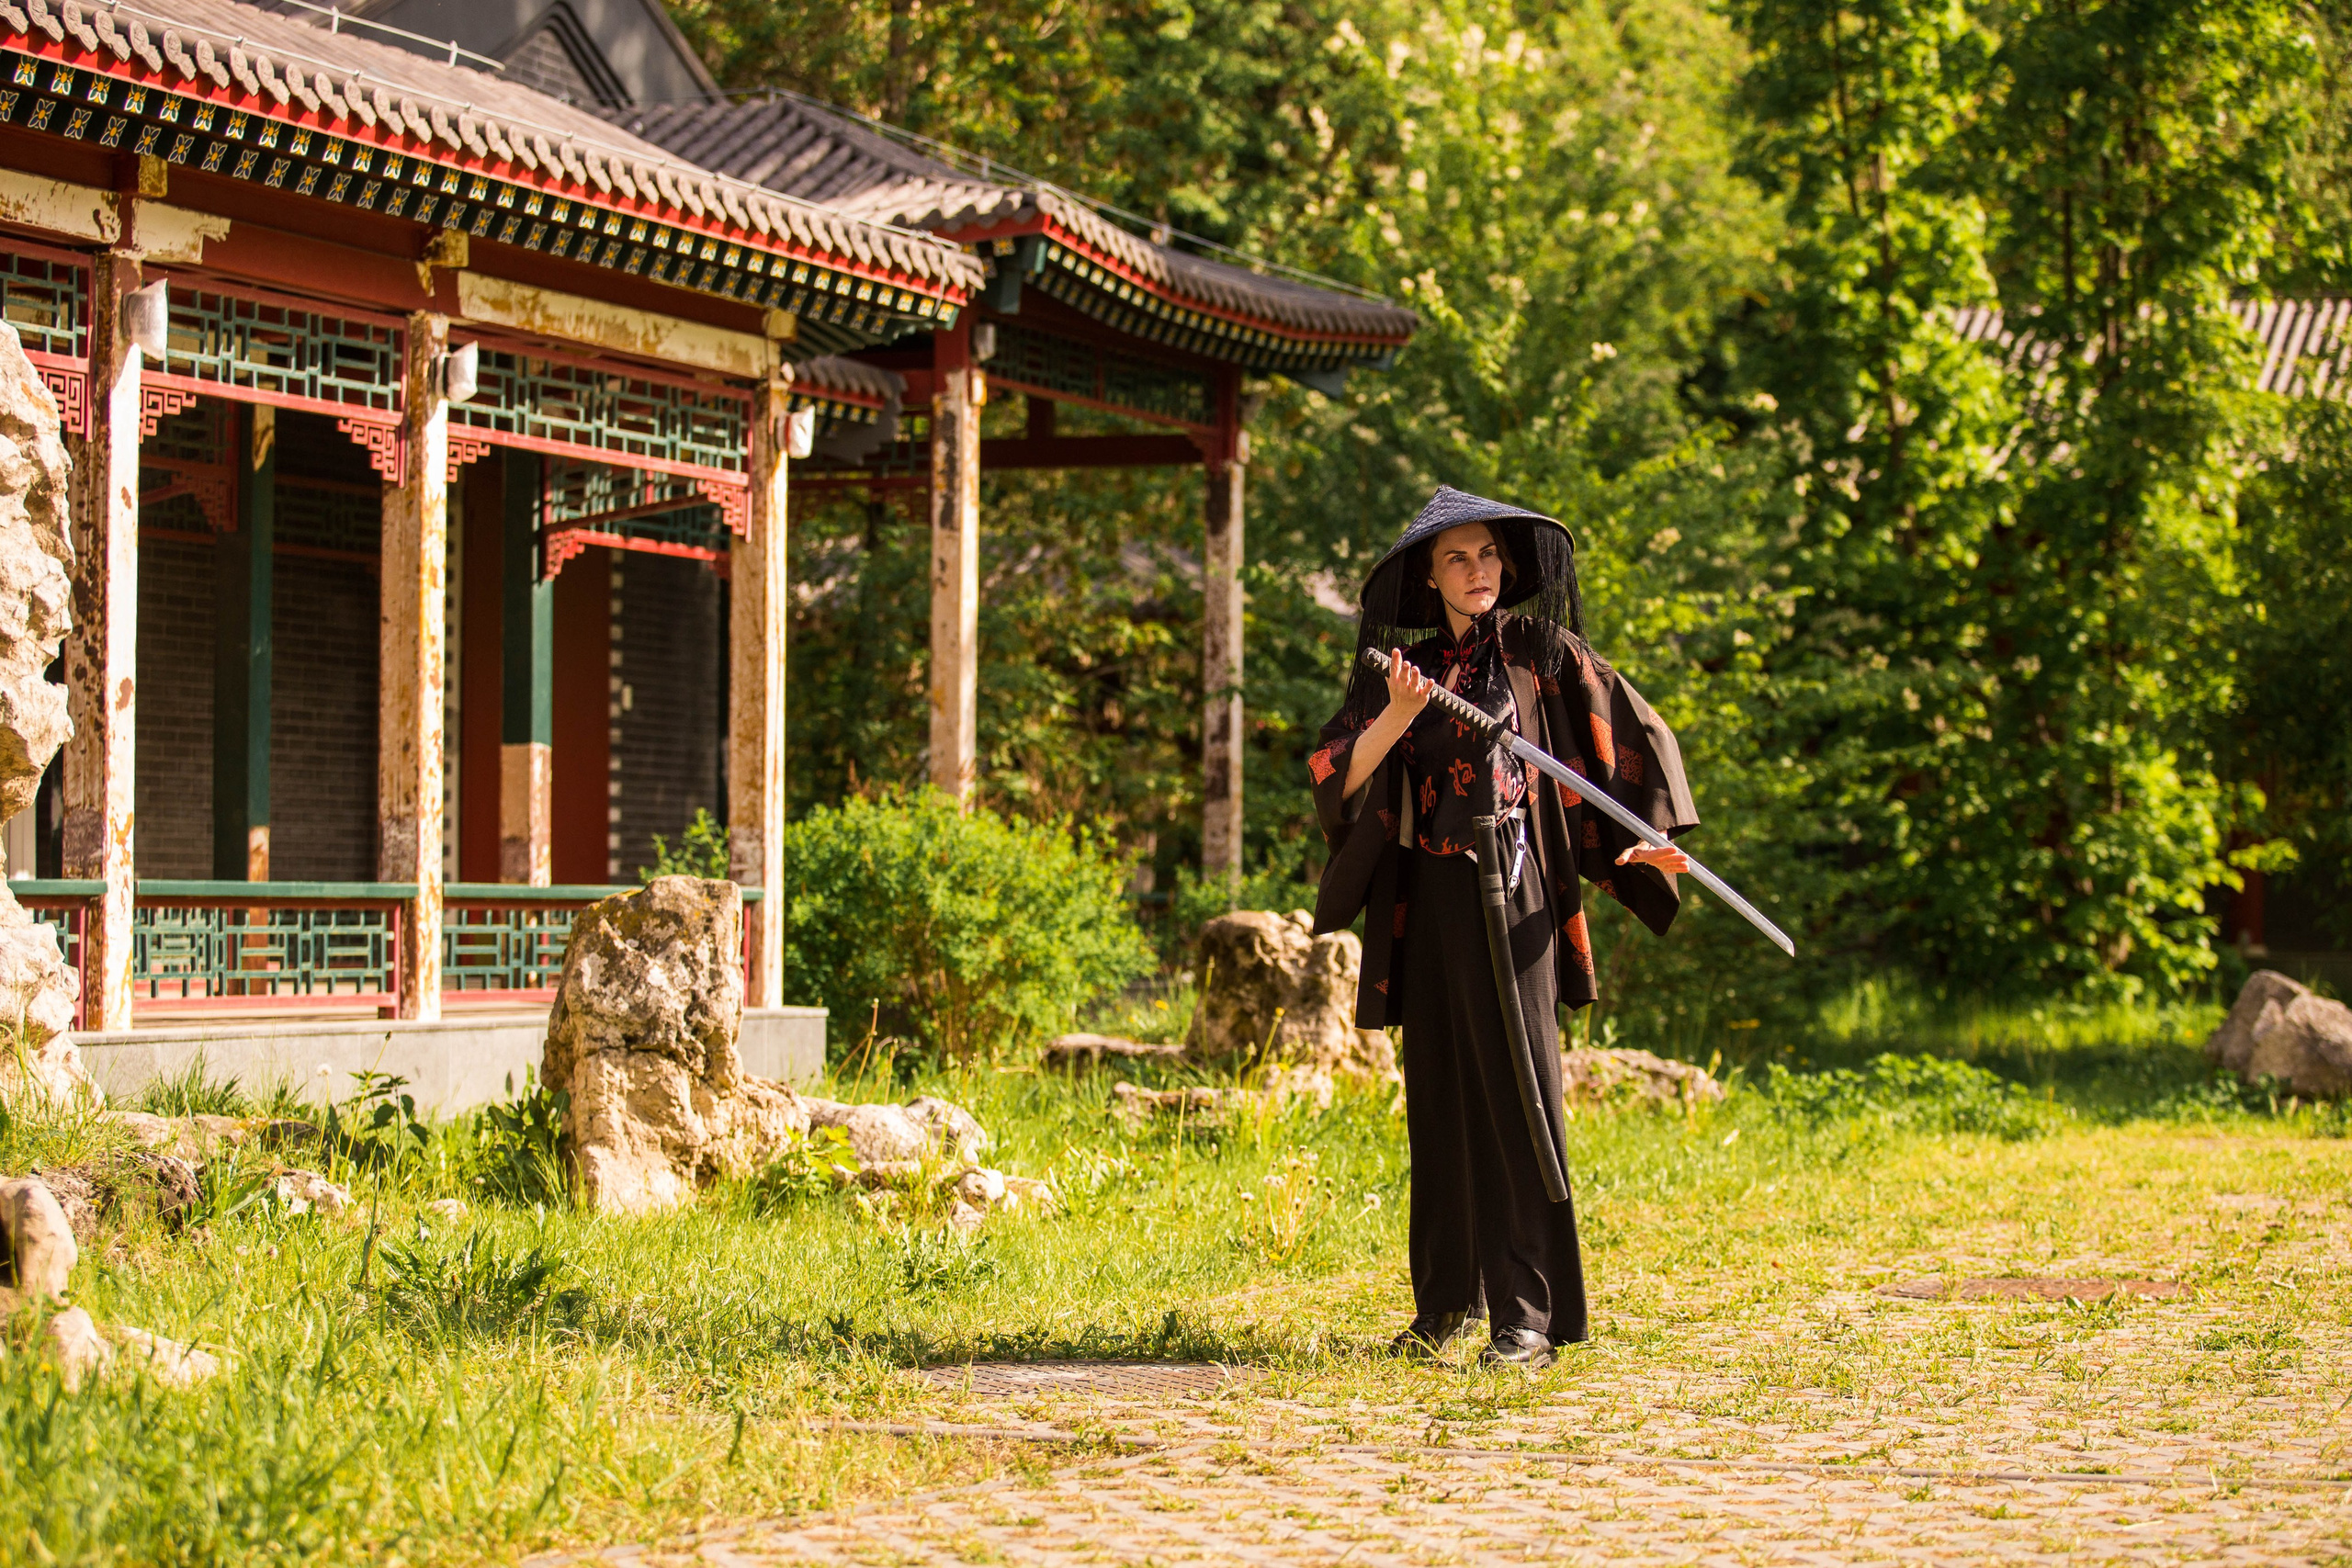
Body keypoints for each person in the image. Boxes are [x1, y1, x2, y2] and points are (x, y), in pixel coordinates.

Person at [1307, 485, 1700, 1369]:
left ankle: (1528, 1314)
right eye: (1458, 557)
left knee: (1521, 1095)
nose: (1478, 569)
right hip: (1430, 901)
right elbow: (1337, 773)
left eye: (1488, 554)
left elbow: (1619, 739)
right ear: (1430, 577)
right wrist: (1402, 715)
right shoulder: (1399, 671)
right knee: (1440, 1100)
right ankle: (1444, 1303)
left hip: (1518, 891)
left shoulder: (1537, 650)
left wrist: (1641, 846)